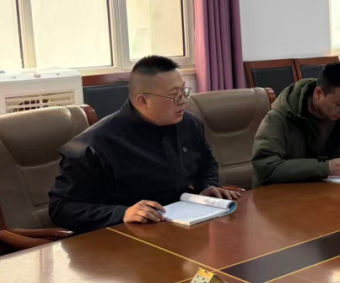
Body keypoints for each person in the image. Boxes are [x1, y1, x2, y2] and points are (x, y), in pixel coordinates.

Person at [49, 55, 239, 233]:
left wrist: (206, 186)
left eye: (184, 91)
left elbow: (206, 162)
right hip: (124, 237)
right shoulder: (93, 145)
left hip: (181, 228)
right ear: (143, 101)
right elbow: (61, 208)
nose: (183, 101)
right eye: (175, 95)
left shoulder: (190, 124)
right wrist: (123, 213)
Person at [252, 61, 340, 186]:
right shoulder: (279, 118)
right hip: (286, 194)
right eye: (339, 104)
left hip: (331, 191)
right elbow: (266, 167)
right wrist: (324, 167)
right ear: (318, 94)